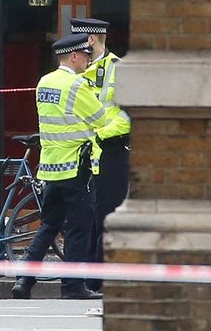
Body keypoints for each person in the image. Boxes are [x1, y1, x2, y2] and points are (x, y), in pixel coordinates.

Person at [11, 33, 110, 300]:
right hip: (77, 169)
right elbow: (101, 118)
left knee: (49, 226)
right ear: (75, 57)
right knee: (79, 230)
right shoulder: (77, 86)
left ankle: (24, 280)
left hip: (50, 169)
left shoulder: (44, 82)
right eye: (86, 57)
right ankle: (73, 287)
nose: (88, 61)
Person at [71, 18, 131, 292]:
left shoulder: (117, 68)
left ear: (91, 39)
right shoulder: (76, 69)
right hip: (81, 154)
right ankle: (87, 278)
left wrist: (100, 133)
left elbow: (128, 115)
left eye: (79, 40)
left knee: (106, 217)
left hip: (110, 151)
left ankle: (100, 280)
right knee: (87, 219)